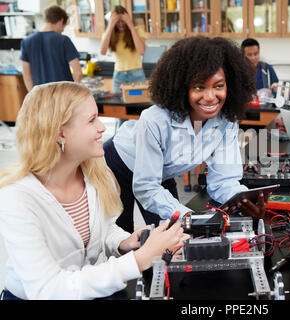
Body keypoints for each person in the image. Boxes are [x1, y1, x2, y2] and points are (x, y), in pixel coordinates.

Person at [0, 82, 185, 300]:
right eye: (91, 120)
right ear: (60, 133)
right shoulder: (16, 198)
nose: (102, 127)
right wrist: (138, 260)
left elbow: (103, 229)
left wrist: (124, 242)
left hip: (86, 290)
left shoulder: (95, 175)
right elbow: (47, 289)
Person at [103, 36, 269, 233]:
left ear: (230, 86)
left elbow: (223, 180)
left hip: (162, 172)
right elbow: (146, 187)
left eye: (218, 86)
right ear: (183, 88)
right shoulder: (155, 120)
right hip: (118, 164)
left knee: (171, 238)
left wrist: (244, 199)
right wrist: (188, 216)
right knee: (123, 235)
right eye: (199, 87)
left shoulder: (227, 121)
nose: (210, 97)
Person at [20, 5, 82, 92]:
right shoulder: (63, 40)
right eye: (63, 27)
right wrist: (74, 92)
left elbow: (26, 75)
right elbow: (78, 73)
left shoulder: (26, 42)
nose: (62, 30)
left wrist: (33, 96)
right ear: (61, 21)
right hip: (63, 94)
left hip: (41, 95)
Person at [100, 5, 146, 94]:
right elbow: (102, 51)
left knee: (138, 105)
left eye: (123, 21)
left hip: (136, 75)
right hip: (119, 76)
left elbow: (141, 51)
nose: (121, 24)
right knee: (119, 106)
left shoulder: (137, 30)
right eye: (117, 22)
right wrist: (110, 26)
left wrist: (130, 25)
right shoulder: (109, 35)